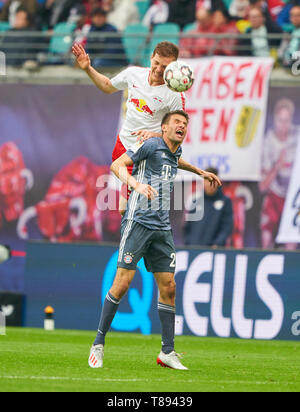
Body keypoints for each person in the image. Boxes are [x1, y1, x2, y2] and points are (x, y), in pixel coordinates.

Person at [88, 110, 222, 370]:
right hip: (138, 221)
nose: (181, 126)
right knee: (122, 284)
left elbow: (176, 162)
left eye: (185, 124)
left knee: (169, 286)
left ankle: (167, 352)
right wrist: (135, 185)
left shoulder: (174, 153)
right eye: (177, 123)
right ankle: (98, 344)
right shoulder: (151, 144)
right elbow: (116, 166)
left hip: (161, 227)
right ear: (164, 128)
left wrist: (199, 171)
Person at [72, 41, 221, 215]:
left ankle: (143, 238)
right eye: (156, 63)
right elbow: (107, 87)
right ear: (151, 57)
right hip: (123, 146)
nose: (158, 69)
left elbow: (178, 133)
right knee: (123, 209)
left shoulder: (175, 96)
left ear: (173, 67)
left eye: (165, 67)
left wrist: (156, 135)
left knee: (133, 210)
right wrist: (88, 68)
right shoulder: (133, 74)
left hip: (146, 154)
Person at [260, 98, 300, 249]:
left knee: (292, 231)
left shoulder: (297, 136)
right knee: (266, 230)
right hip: (275, 193)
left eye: (287, 120)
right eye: (280, 120)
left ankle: (290, 265)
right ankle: (266, 256)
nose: (284, 125)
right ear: (275, 120)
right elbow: (263, 186)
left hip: (294, 196)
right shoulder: (268, 142)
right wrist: (277, 166)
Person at [183, 168, 233, 247]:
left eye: (212, 181)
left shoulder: (225, 201)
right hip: (194, 249)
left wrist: (218, 243)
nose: (209, 184)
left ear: (217, 181)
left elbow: (227, 227)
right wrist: (188, 243)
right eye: (206, 180)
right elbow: (188, 226)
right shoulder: (196, 200)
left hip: (214, 250)